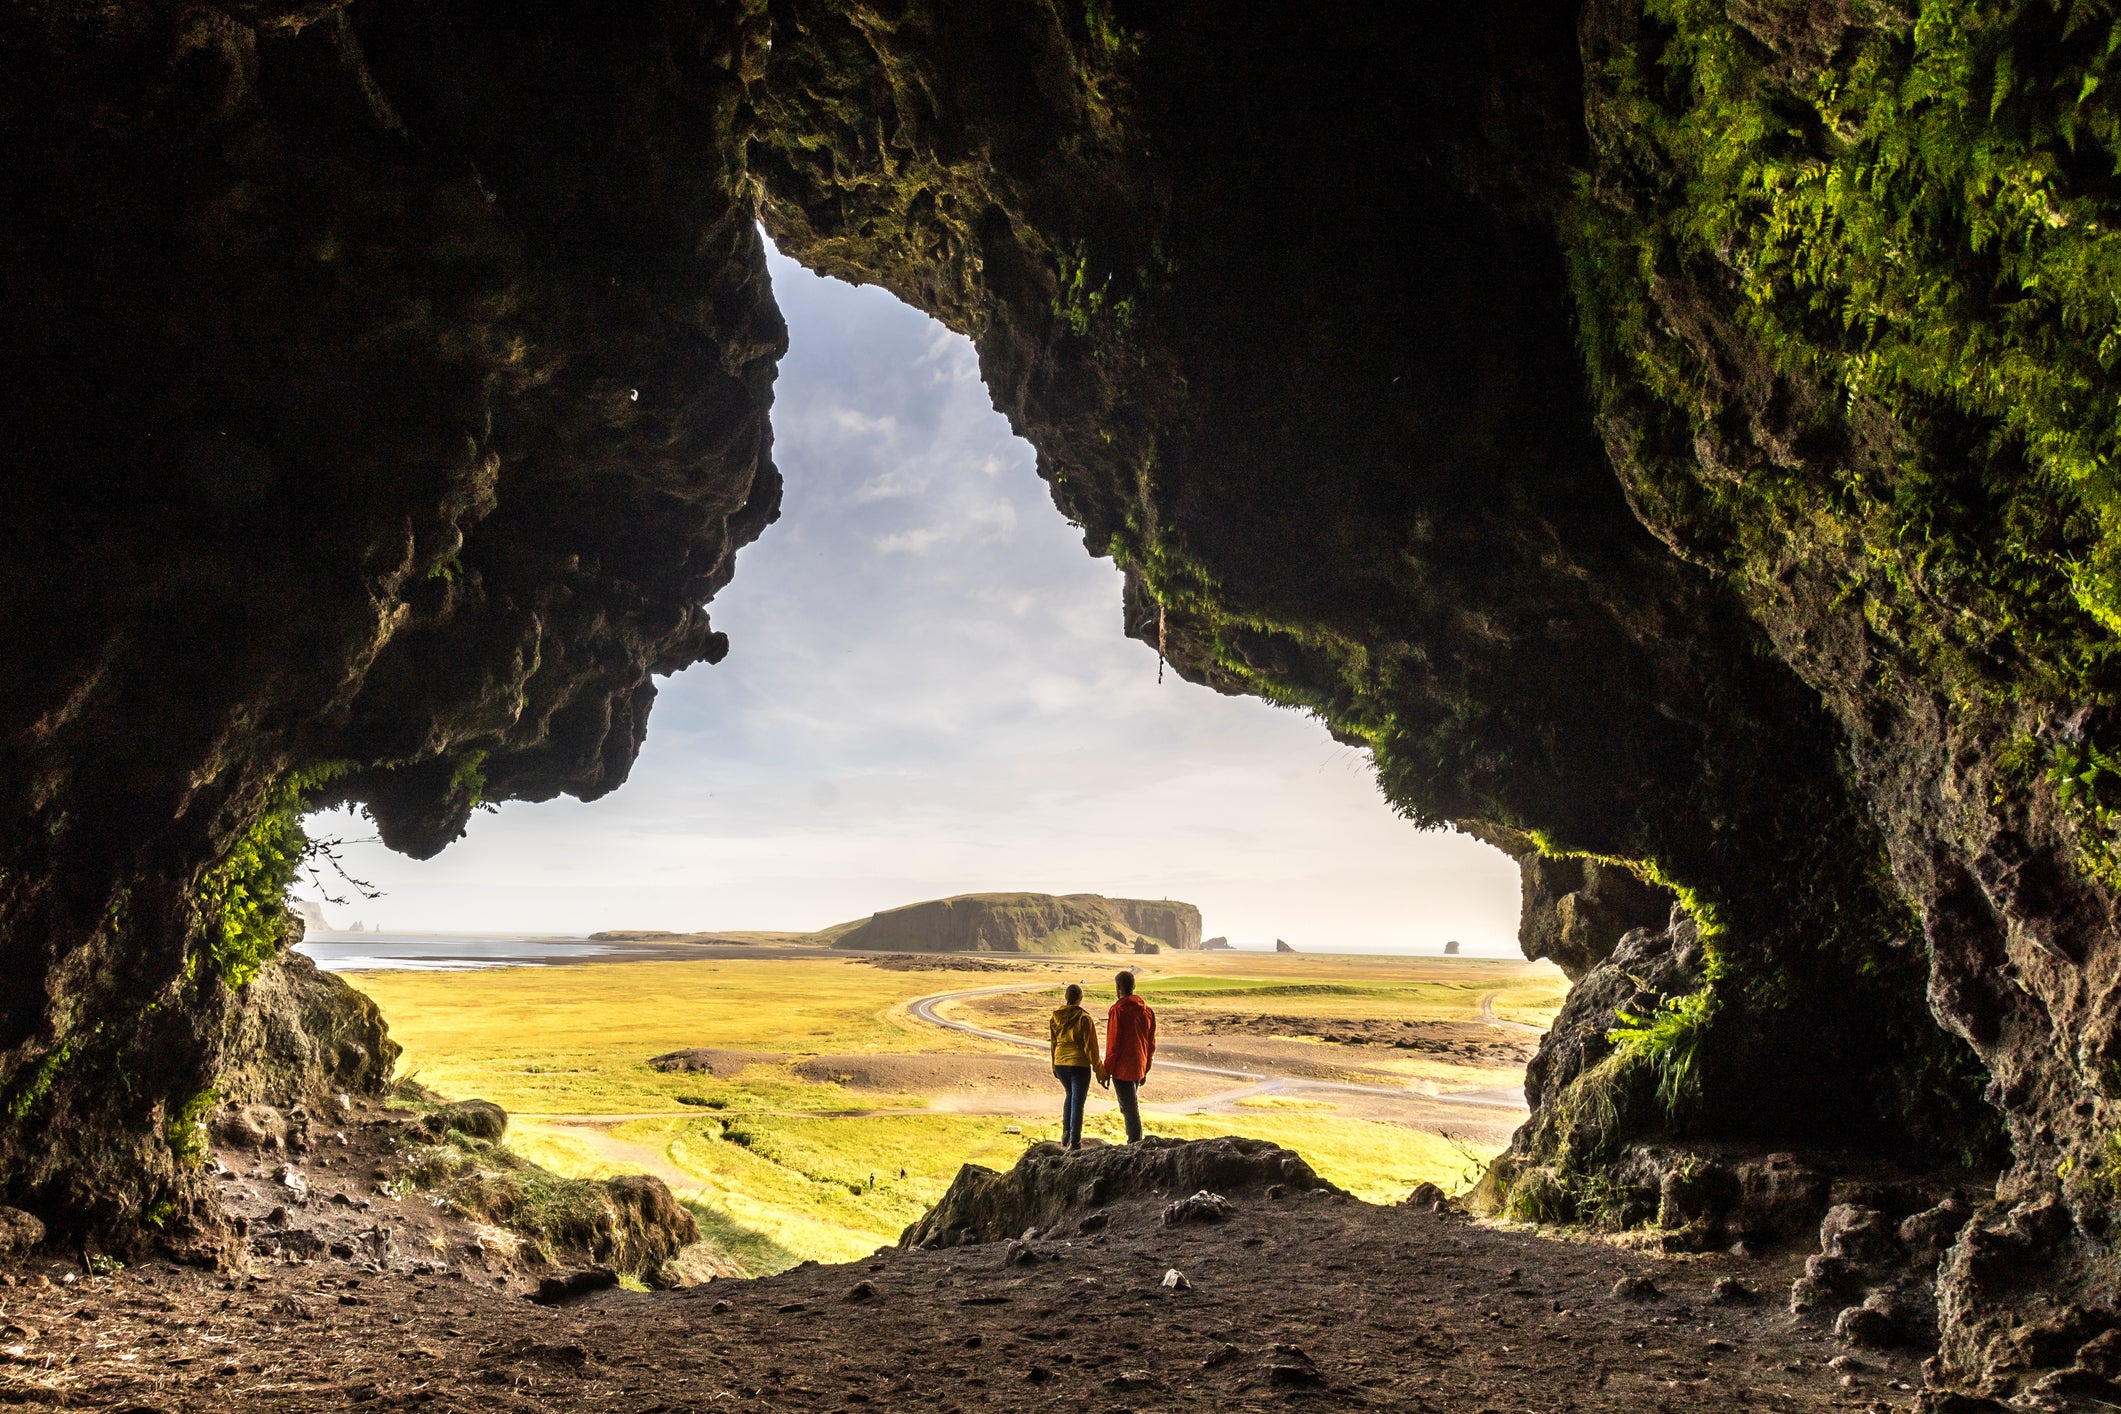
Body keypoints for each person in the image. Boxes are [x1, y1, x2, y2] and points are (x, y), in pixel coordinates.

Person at [1048, 983, 1105, 1150]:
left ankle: (1065, 1134)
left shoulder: (1056, 1017)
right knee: (1078, 1102)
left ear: (1066, 997)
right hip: (1079, 1065)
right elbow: (1091, 1048)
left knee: (1069, 1095)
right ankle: (1075, 1142)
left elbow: (1053, 1044)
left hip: (1060, 1063)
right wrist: (1099, 1069)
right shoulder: (1084, 1018)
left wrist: (1054, 1065)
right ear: (1080, 998)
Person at [1103, 970, 1157, 1143]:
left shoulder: (1117, 1010)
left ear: (1118, 987)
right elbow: (1151, 1044)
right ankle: (1135, 1142)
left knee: (1129, 1109)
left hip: (1122, 1069)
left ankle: (1134, 1144)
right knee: (1131, 1107)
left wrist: (1106, 1071)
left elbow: (1113, 1045)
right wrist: (1145, 1069)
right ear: (1133, 987)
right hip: (1139, 1065)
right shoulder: (1147, 1011)